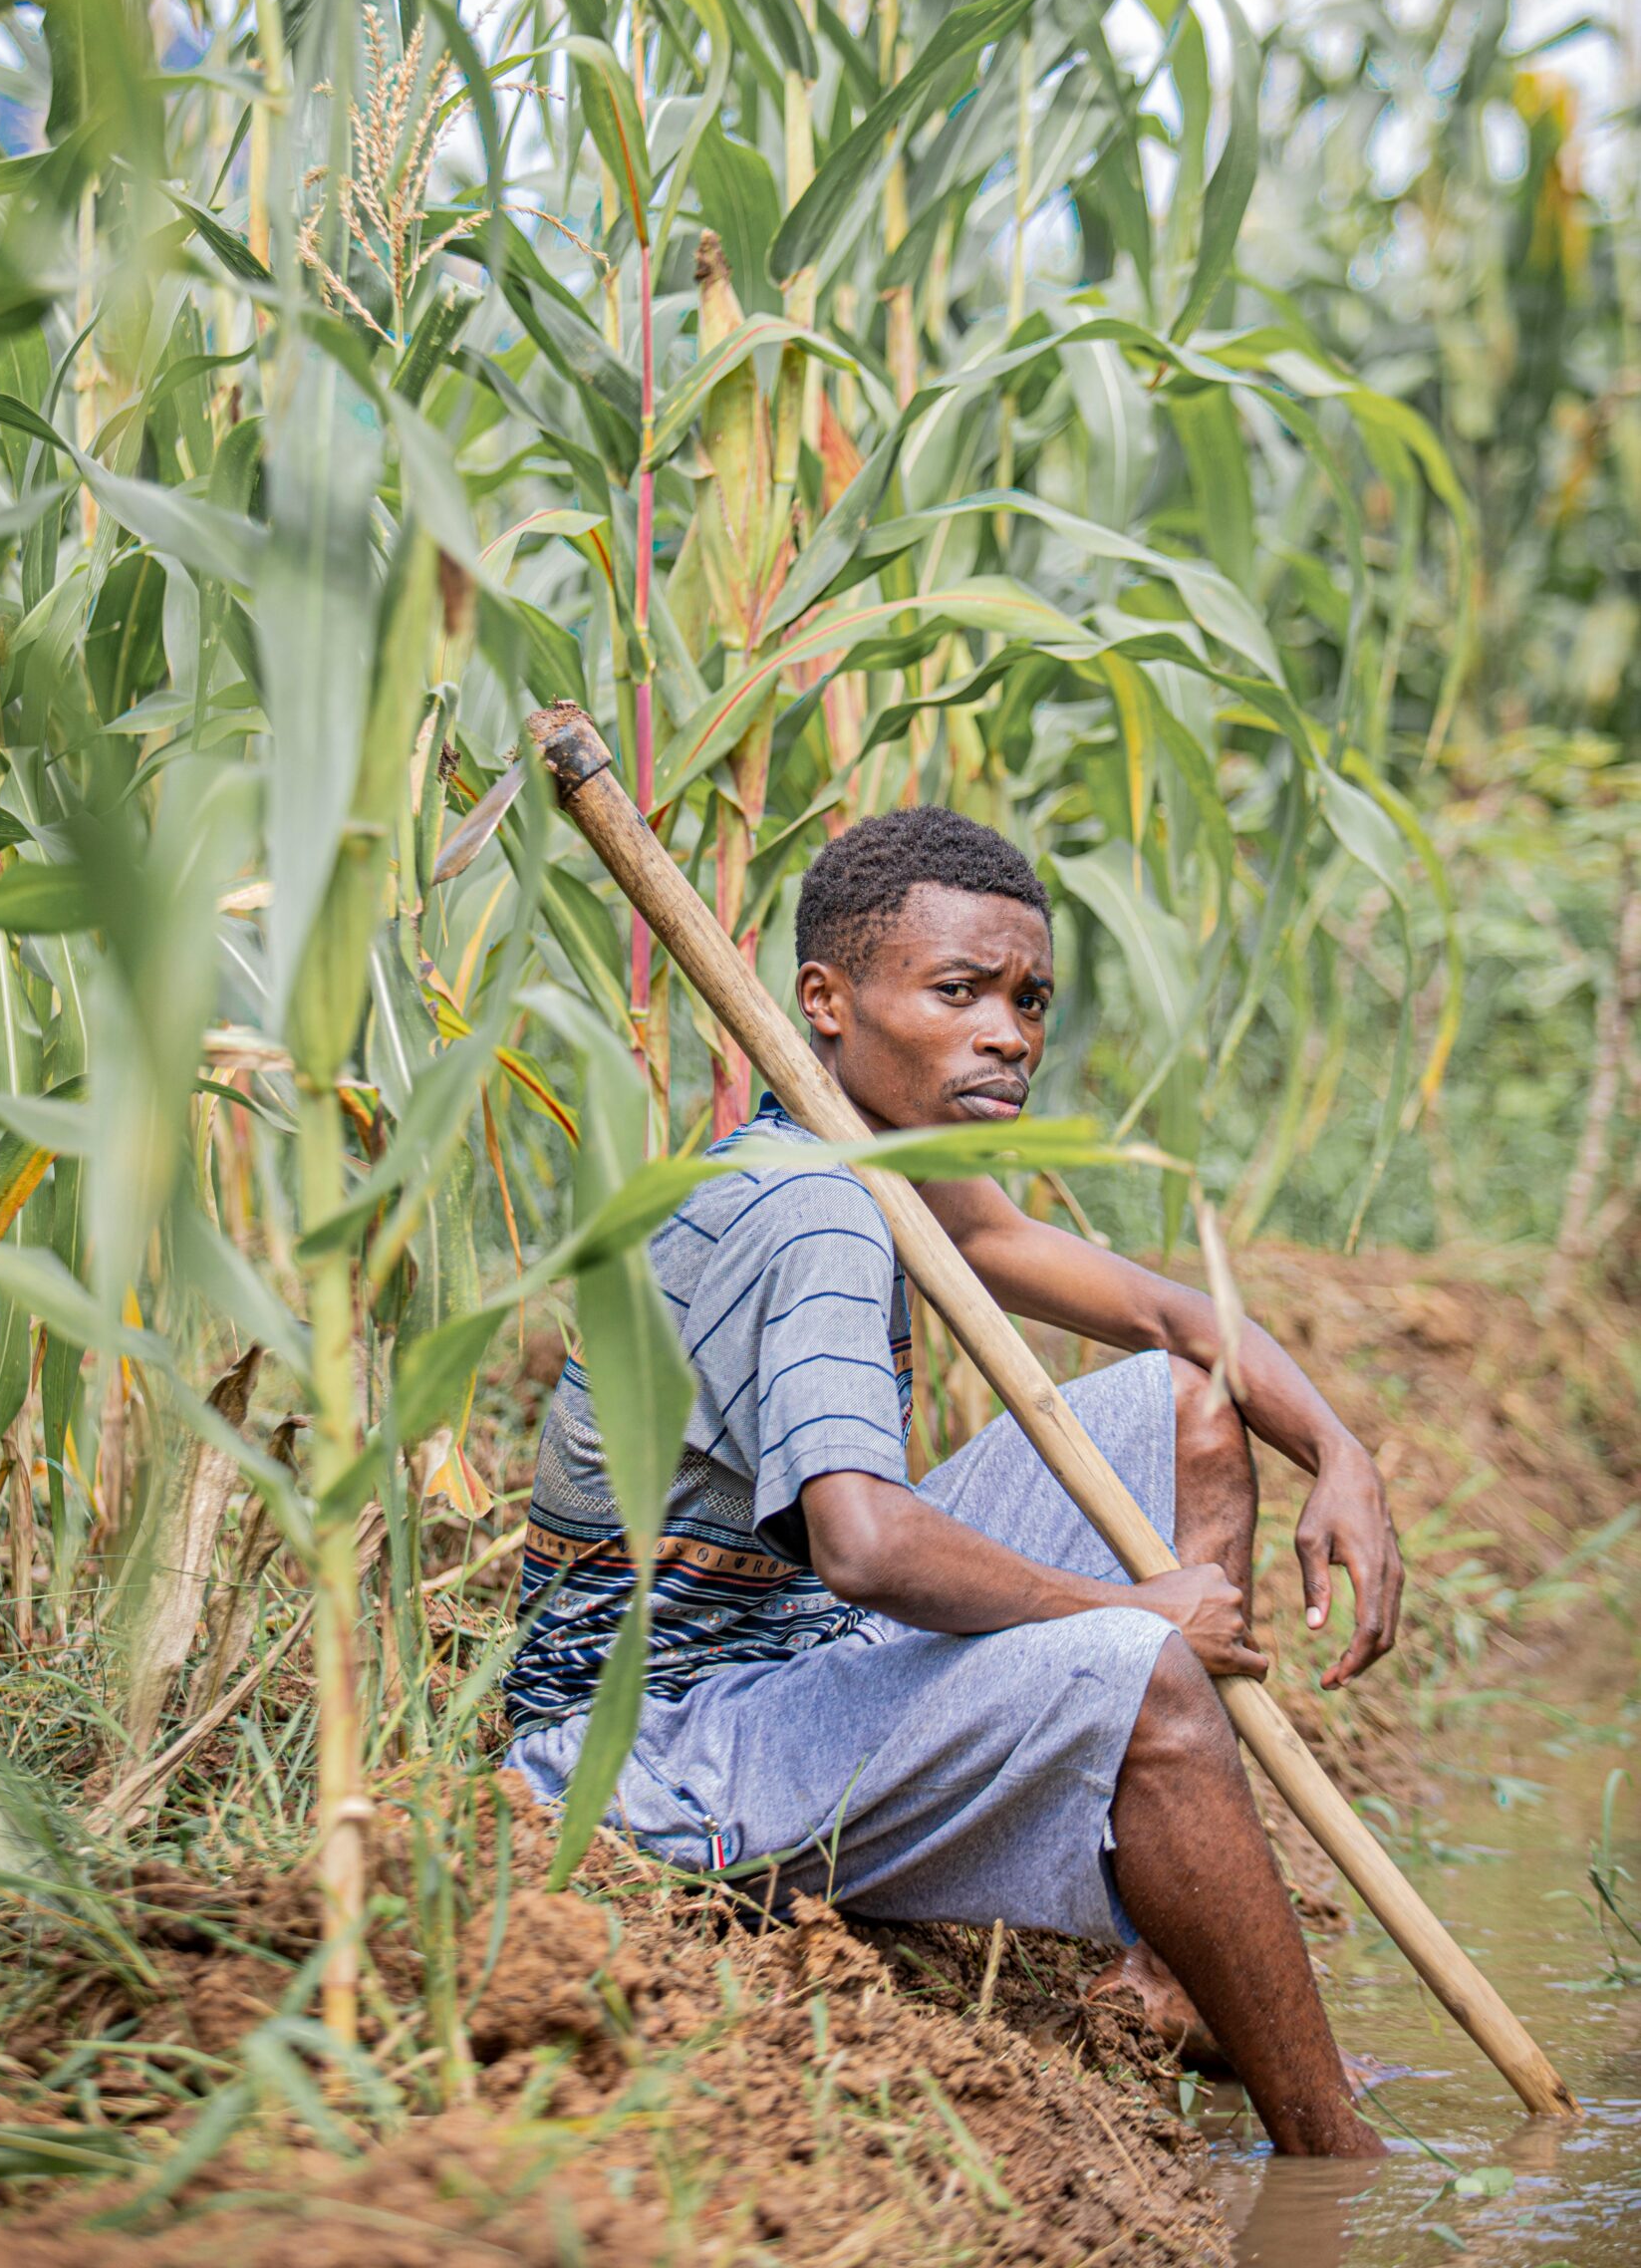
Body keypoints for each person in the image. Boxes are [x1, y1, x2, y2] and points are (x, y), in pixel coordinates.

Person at [503, 807, 1402, 2157]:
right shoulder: (806, 1211)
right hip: (647, 1754)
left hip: (796, 1655)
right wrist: (1133, 1612)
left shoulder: (895, 1175)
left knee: (1190, 1412)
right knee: (1141, 1670)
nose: (1012, 1034)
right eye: (958, 992)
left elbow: (1174, 1324)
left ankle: (1170, 1977)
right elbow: (864, 1544)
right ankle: (1337, 2162)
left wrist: (1342, 1452)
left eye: (1029, 998)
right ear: (826, 1000)